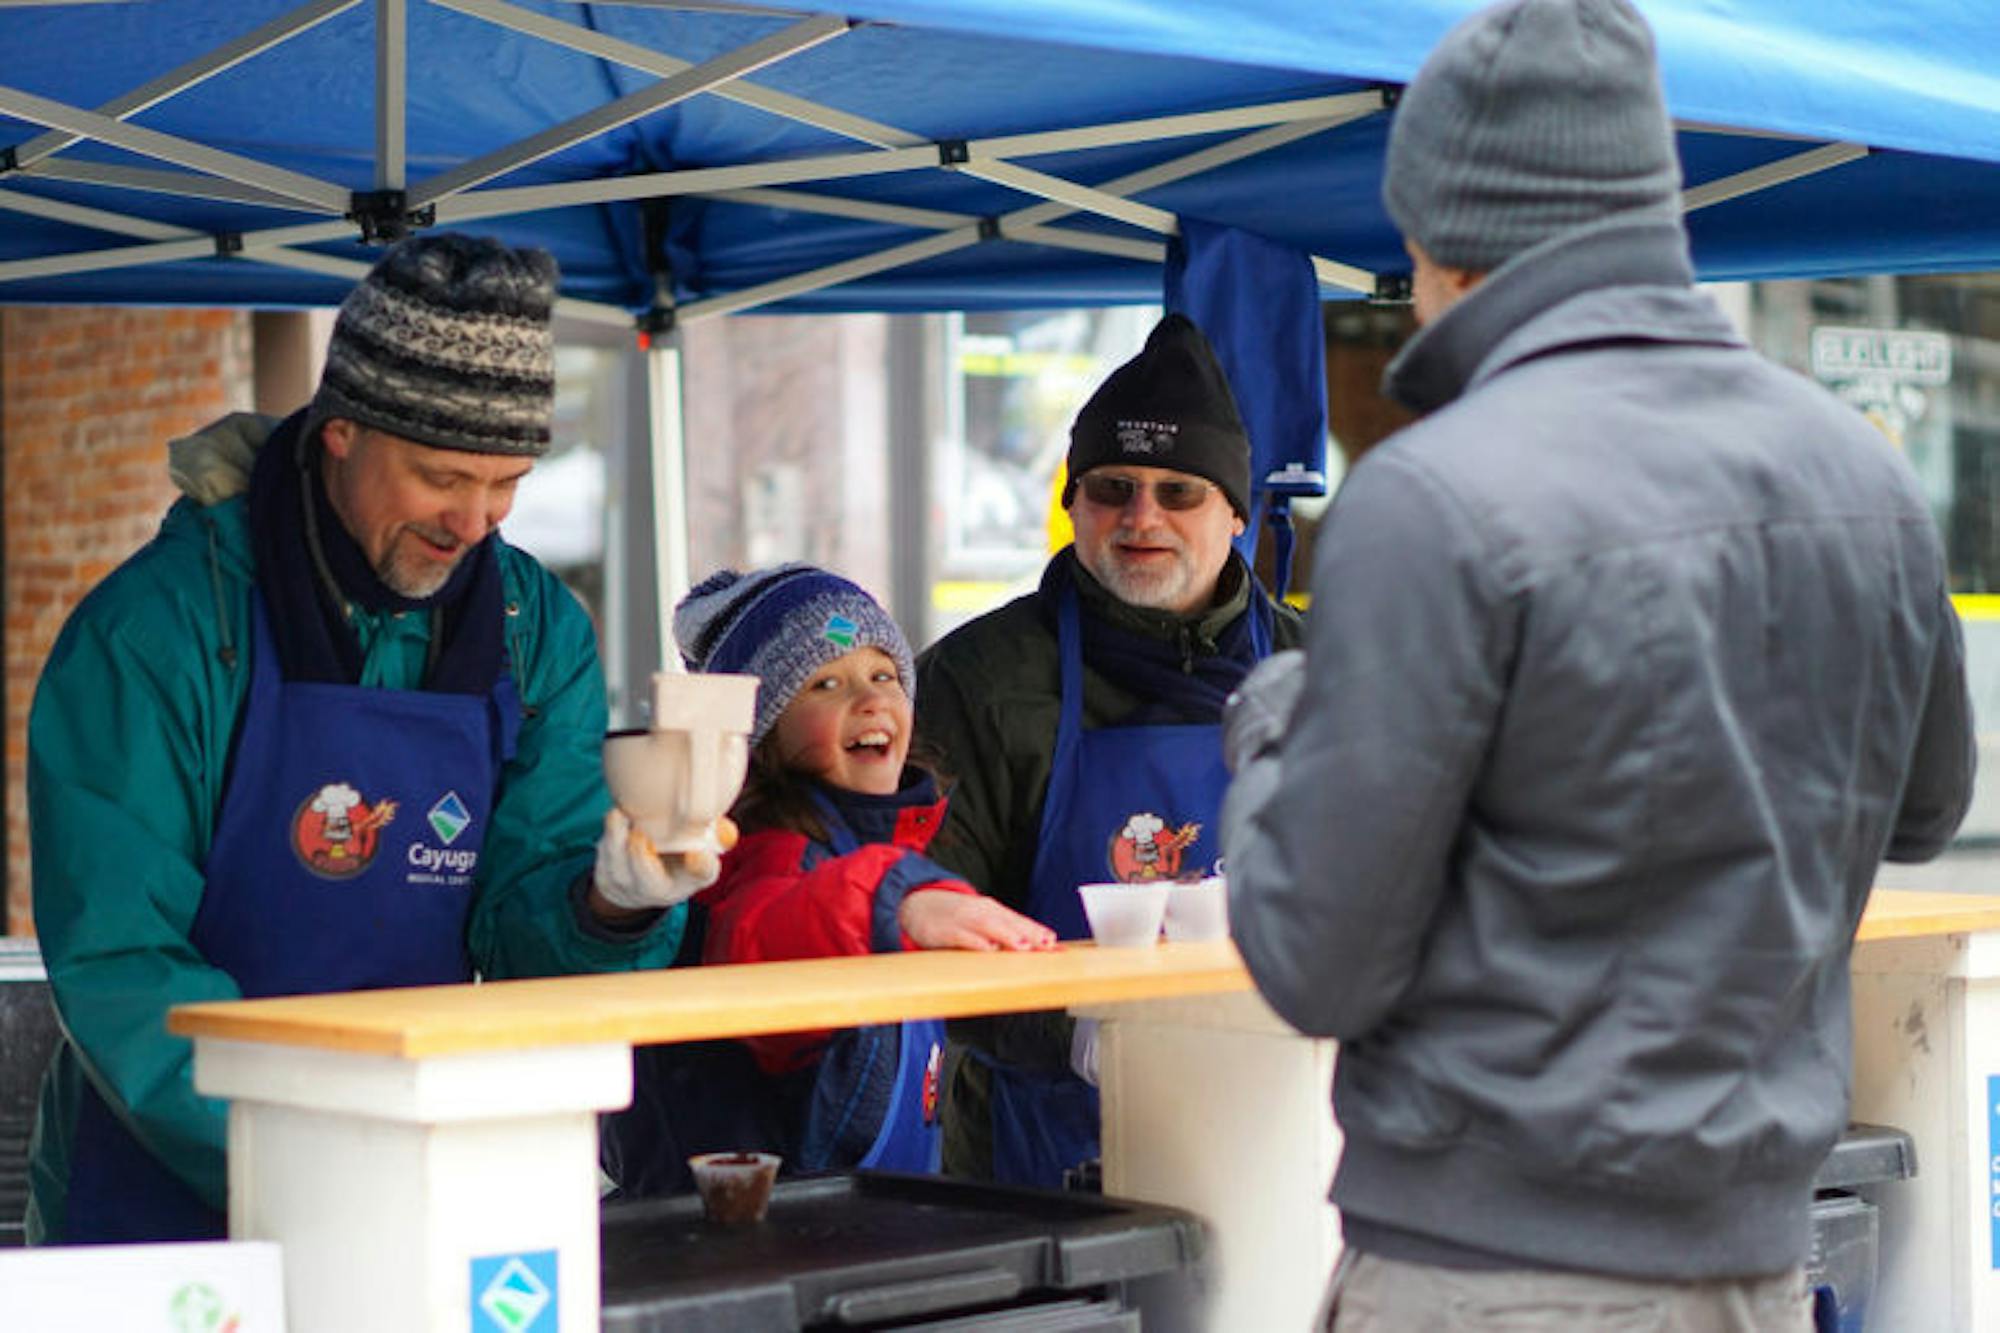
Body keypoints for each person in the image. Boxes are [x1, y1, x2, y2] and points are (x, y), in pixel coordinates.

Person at [1217, 1, 1977, 1327]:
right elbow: (1924, 811)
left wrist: (1280, 715)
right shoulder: (1863, 475)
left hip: (1485, 1268)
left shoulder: (1433, 498)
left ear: (1442, 232)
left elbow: (1313, 961)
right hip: (1755, 1256)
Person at [27, 233, 717, 1244]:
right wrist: (317, 1161)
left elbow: (524, 934)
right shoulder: (160, 632)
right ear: (341, 431)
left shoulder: (537, 634)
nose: (474, 520)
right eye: (441, 476)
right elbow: (122, 959)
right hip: (171, 1184)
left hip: (416, 1170)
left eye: (506, 482)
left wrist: (609, 906)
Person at [913, 313, 1303, 1187]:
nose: (1141, 517)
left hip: (1281, 1121)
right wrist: (1091, 1036)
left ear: (1237, 511)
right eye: (1112, 486)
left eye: (1179, 492)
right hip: (1040, 1153)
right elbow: (926, 914)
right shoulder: (980, 678)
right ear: (1072, 502)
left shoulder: (1331, 668)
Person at [605, 564, 1053, 1190]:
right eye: (825, 685)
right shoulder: (760, 857)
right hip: (758, 1244)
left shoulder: (896, 845)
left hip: (874, 1232)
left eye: (884, 675)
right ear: (759, 740)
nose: (869, 699)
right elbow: (763, 934)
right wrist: (894, 899)